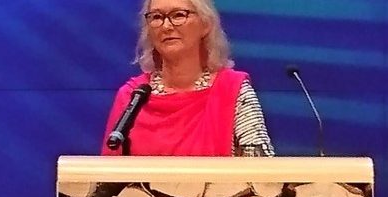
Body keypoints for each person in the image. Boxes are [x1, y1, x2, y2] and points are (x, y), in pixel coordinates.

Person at [101, 0, 274, 157]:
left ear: (205, 24)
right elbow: (108, 174)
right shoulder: (133, 96)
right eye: (157, 17)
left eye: (178, 15)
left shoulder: (233, 90)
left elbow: (261, 171)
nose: (166, 26)